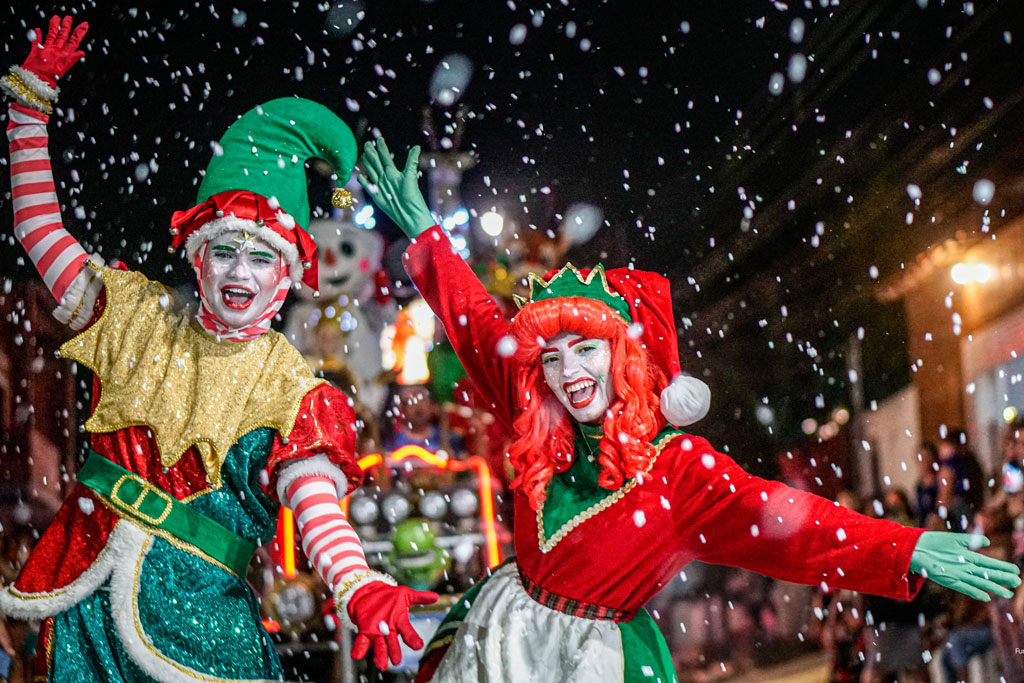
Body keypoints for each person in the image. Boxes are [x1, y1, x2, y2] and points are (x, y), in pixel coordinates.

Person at [357, 137, 1022, 683]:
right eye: (552, 356)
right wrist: (424, 235)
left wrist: (905, 546)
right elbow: (475, 324)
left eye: (585, 348)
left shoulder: (678, 471)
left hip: (592, 668)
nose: (567, 373)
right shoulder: (538, 417)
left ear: (623, 354)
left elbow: (796, 527)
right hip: (496, 648)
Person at [0, 17, 434, 680]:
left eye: (262, 257)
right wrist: (29, 110)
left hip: (206, 633)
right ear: (197, 258)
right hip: (85, 604)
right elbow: (38, 231)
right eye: (224, 249)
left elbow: (316, 507)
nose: (239, 272)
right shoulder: (134, 319)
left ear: (288, 275)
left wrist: (358, 585)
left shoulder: (290, 389)